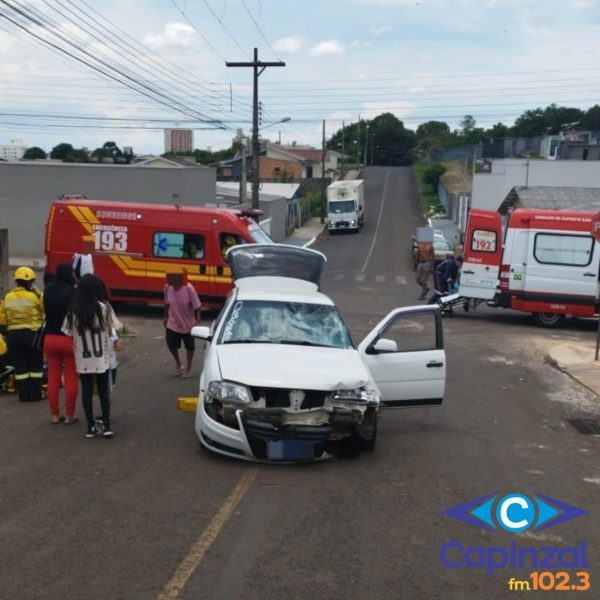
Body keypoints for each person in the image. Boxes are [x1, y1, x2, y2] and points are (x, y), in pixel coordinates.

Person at [62, 274, 121, 438]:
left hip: (83, 356)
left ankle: (90, 427)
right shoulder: (105, 307)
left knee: (86, 391)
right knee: (103, 391)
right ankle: (107, 426)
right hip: (101, 356)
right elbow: (112, 329)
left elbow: (68, 333)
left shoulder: (73, 309)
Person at [0, 267, 45, 402]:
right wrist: (38, 292)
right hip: (31, 335)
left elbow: (2, 319)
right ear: (30, 282)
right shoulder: (33, 296)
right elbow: (43, 308)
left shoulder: (8, 297)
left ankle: (23, 395)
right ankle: (36, 394)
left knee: (20, 365)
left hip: (13, 336)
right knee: (36, 365)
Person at [43, 263, 78, 425]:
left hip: (49, 338)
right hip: (68, 339)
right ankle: (69, 415)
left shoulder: (48, 289)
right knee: (71, 378)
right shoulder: (74, 292)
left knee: (53, 378)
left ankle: (54, 415)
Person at [163, 274, 201, 378]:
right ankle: (179, 364)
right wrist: (165, 316)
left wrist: (197, 319)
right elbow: (166, 303)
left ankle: (189, 368)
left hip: (188, 324)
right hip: (173, 322)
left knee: (189, 347)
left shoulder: (189, 288)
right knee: (171, 344)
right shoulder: (167, 287)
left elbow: (198, 306)